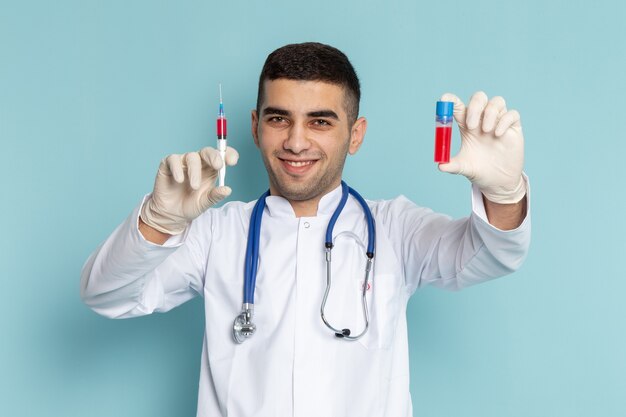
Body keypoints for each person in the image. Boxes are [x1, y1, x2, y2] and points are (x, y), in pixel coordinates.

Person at [81, 42, 530, 417]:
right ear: (255, 128)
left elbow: (490, 255)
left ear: (355, 134)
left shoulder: (394, 228)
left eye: (320, 121)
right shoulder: (215, 233)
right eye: (279, 119)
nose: (296, 142)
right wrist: (158, 223)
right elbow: (106, 295)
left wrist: (505, 195)